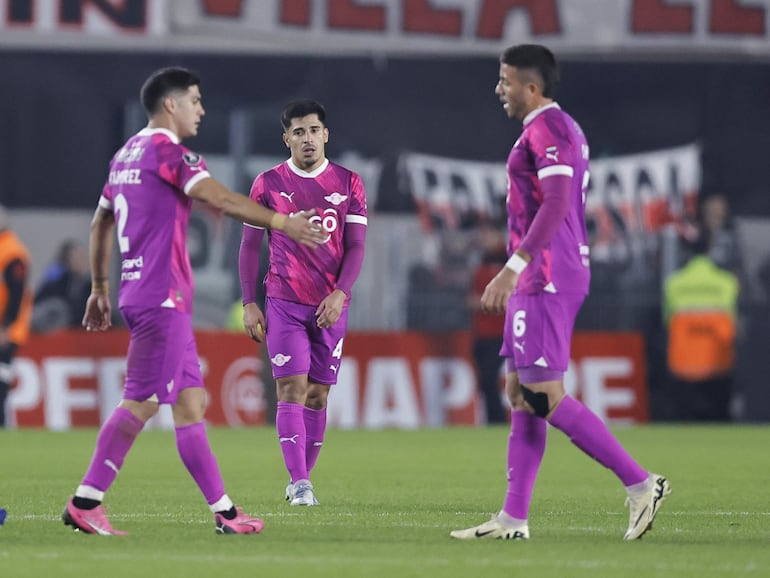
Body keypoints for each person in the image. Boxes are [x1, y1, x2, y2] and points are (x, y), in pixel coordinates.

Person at [62, 67, 326, 536]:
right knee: (140, 402)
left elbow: (100, 222)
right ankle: (86, 500)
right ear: (171, 105)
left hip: (144, 293)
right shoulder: (167, 152)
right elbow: (219, 198)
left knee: (190, 403)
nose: (201, 110)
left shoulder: (125, 154)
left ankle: (225, 514)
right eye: (196, 101)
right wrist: (282, 223)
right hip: (161, 296)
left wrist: (100, 288)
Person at [450, 44, 671, 542]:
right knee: (520, 395)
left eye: (505, 81)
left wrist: (513, 267)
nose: (498, 90)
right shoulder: (547, 129)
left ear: (531, 87)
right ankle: (513, 519)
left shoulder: (549, 129)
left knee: (543, 394)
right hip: (537, 276)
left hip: (546, 274)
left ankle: (641, 483)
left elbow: (556, 203)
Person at [238, 99, 367, 507]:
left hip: (331, 306)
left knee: (318, 396)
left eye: (313, 130)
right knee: (291, 387)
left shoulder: (349, 183)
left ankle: (302, 478)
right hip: (284, 303)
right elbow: (248, 247)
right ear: (287, 139)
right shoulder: (267, 184)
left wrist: (341, 292)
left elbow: (357, 246)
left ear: (325, 134)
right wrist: (248, 301)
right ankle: (299, 484)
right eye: (299, 132)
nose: (307, 139)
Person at [663, 233, 739, 421]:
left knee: (683, 417)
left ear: (687, 251)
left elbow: (667, 321)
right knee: (720, 415)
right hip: (717, 360)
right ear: (710, 249)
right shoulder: (727, 282)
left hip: (684, 362)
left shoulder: (673, 283)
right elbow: (733, 319)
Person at [468, 222, 508, 424]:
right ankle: (493, 420)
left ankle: (497, 420)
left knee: (490, 378)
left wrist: (483, 302)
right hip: (481, 332)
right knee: (485, 381)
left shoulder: (507, 261)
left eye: (488, 234)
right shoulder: (481, 261)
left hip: (500, 333)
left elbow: (511, 297)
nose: (484, 239)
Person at [0, 206, 33, 428]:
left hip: (6, 330)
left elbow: (16, 292)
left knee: (1, 380)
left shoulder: (12, 251)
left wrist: (5, 327)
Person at [31, 239, 91, 332]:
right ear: (67, 261)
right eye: (76, 258)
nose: (81, 262)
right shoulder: (57, 283)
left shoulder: (91, 287)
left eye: (83, 257)